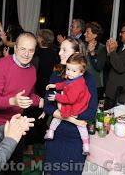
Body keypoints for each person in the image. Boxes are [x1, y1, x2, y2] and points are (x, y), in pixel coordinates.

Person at [0, 32, 44, 174]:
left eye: (31, 50)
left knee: (14, 168)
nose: (27, 54)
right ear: (15, 48)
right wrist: (13, 100)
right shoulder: (0, 66)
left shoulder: (32, 70)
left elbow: (28, 95)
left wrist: (41, 101)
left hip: (15, 124)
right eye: (23, 49)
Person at [44, 38, 97, 175]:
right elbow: (48, 106)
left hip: (75, 139)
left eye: (64, 50)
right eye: (60, 49)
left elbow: (90, 113)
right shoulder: (56, 74)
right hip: (54, 135)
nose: (60, 53)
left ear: (77, 55)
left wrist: (61, 109)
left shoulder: (88, 79)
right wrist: (73, 119)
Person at [44, 53, 91, 155]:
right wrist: (55, 85)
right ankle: (51, 132)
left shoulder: (78, 85)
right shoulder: (74, 78)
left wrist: (57, 97)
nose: (69, 72)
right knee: (79, 125)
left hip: (76, 106)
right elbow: (65, 84)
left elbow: (70, 99)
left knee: (60, 117)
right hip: (78, 103)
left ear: (81, 72)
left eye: (73, 71)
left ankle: (86, 145)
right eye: (68, 69)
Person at [84, 22, 106, 99]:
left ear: (95, 35)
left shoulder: (102, 48)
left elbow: (99, 67)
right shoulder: (83, 46)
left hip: (95, 85)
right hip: (83, 83)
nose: (84, 34)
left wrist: (92, 53)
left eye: (87, 32)